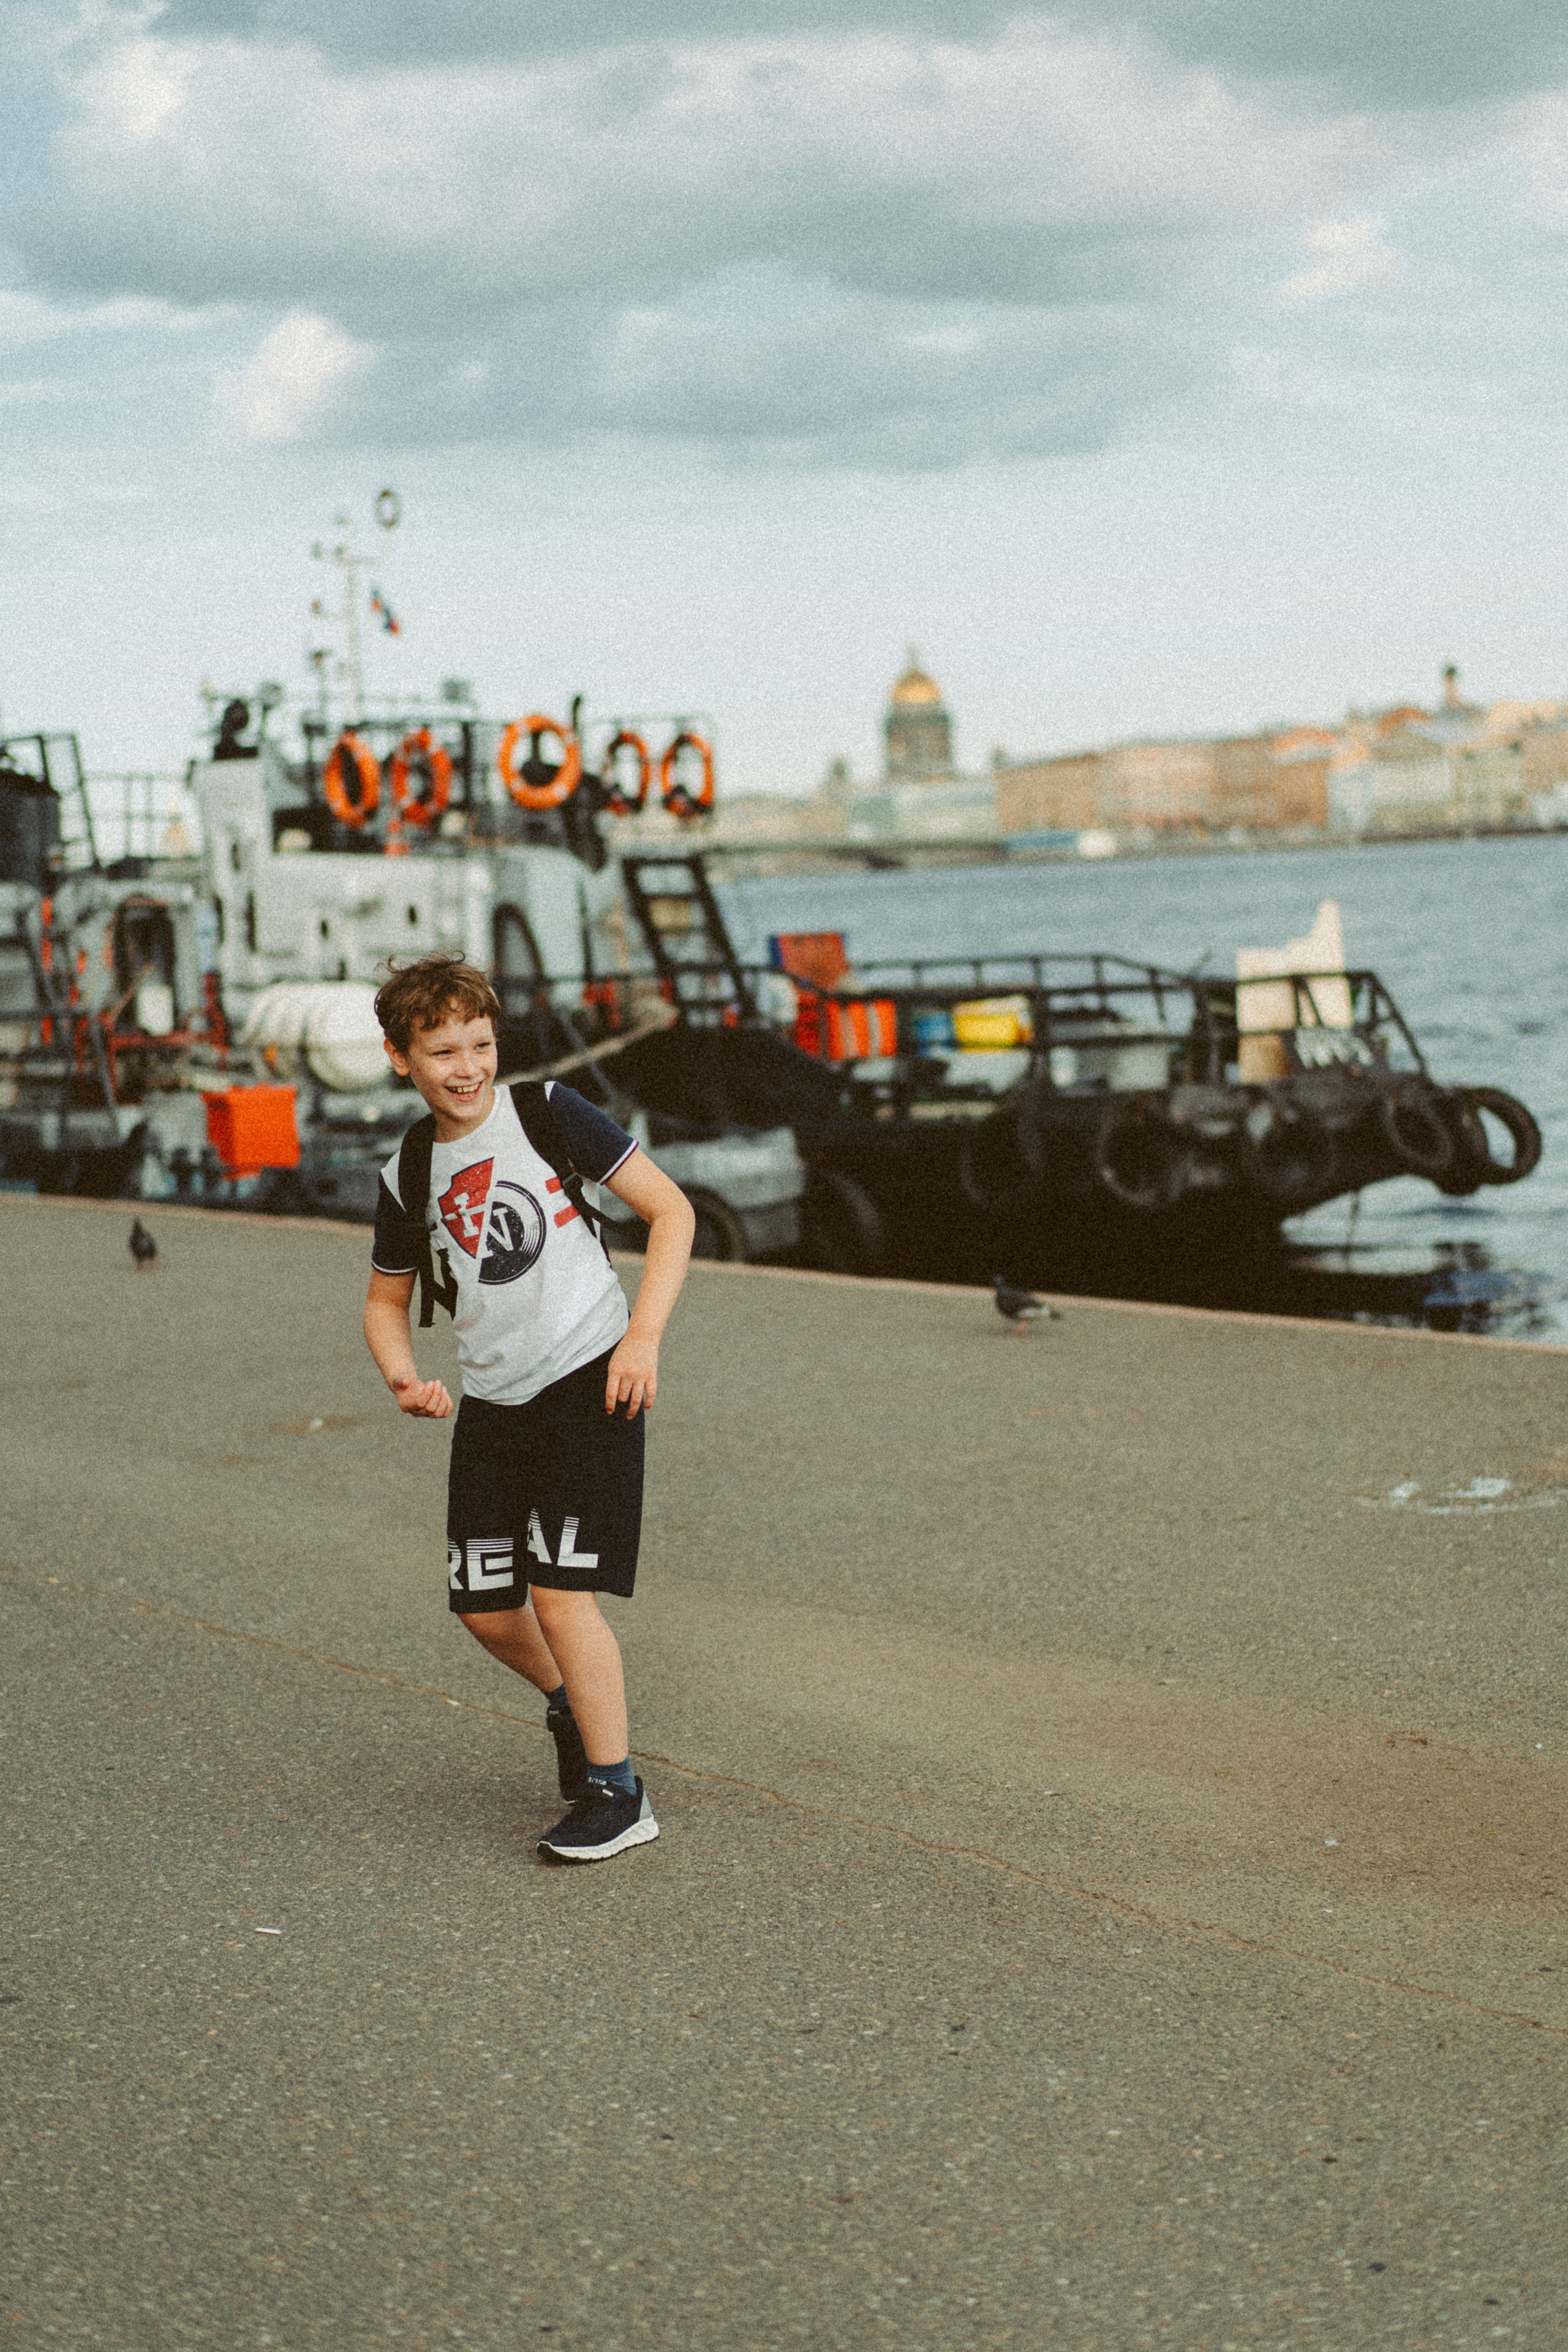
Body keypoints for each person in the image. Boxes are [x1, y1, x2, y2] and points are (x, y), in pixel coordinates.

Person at [362, 954, 695, 1863]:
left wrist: (644, 1338)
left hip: (592, 1377)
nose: (466, 1066)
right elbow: (387, 1300)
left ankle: (618, 1791)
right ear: (401, 1059)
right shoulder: (410, 1169)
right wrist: (402, 1376)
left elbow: (672, 1214)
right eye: (441, 1051)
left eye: (480, 1044)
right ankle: (570, 1706)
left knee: (560, 1595)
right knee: (482, 1605)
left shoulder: (547, 1114)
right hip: (493, 1402)